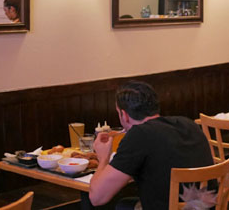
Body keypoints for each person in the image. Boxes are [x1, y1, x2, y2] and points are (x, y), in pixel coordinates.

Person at [88, 81, 214, 210]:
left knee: (122, 206)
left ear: (124, 115)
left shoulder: (139, 135)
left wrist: (103, 157)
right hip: (203, 206)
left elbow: (97, 198)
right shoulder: (188, 124)